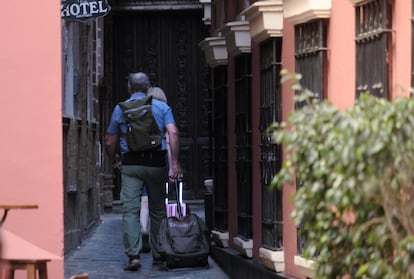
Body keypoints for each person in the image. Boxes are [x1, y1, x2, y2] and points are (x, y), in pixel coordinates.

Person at [105, 72, 183, 271]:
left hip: (131, 165)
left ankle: (133, 257)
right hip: (156, 163)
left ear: (129, 88)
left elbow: (109, 140)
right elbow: (172, 132)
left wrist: (113, 158)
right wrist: (175, 162)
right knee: (158, 211)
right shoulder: (161, 107)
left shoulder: (120, 109)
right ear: (148, 88)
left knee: (130, 211)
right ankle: (158, 256)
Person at [140, 86, 171, 254]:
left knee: (144, 198)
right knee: (157, 201)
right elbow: (171, 134)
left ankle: (144, 227)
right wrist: (174, 165)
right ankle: (158, 242)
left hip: (140, 157)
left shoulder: (140, 108)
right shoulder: (164, 109)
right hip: (159, 156)